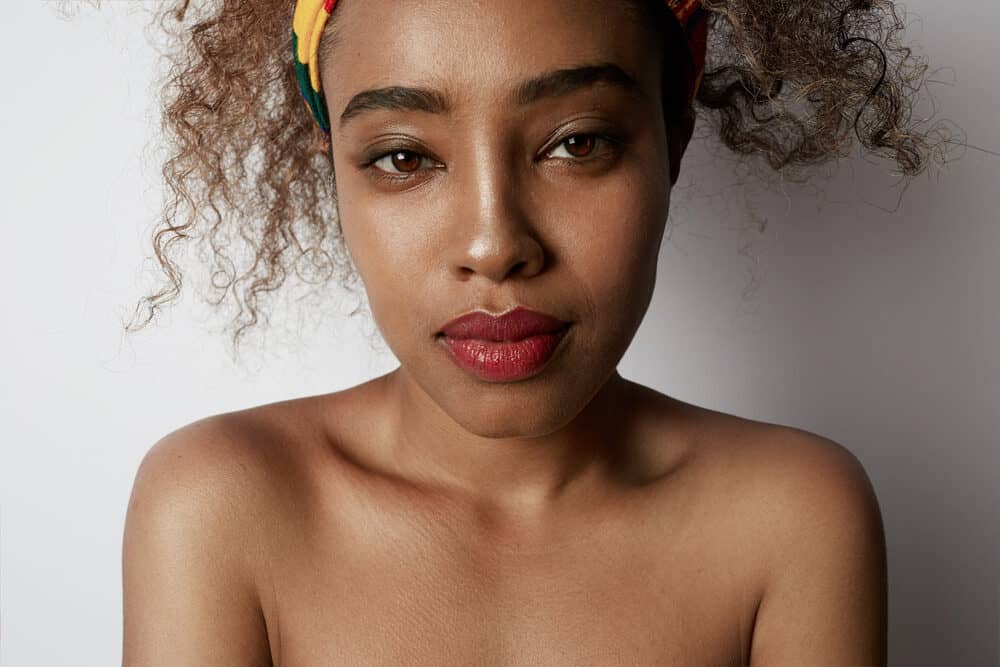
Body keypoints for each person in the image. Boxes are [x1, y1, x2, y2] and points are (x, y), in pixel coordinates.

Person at [121, 0, 939, 663]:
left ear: (673, 141)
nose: (495, 244)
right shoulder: (220, 509)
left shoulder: (792, 518)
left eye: (577, 142)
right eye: (404, 157)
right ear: (333, 167)